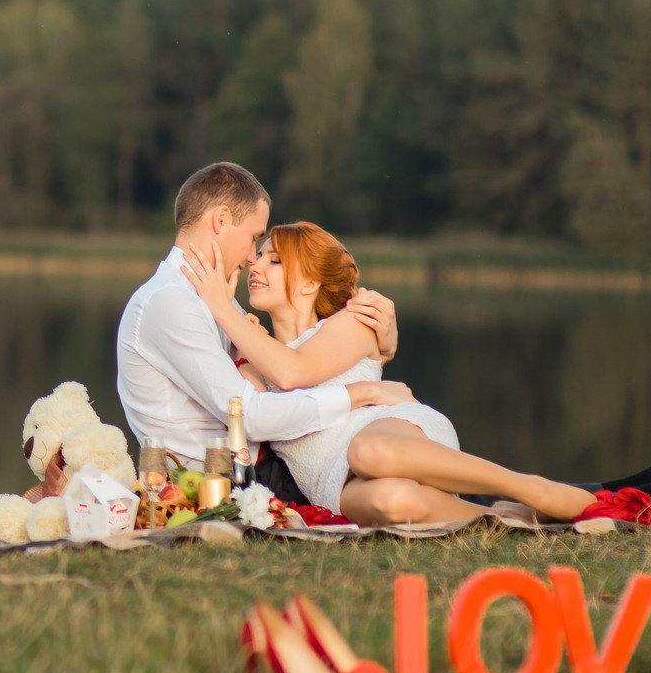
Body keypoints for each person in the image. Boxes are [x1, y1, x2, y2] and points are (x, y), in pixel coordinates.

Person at [178, 218, 614, 525]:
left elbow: (295, 372)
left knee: (371, 454)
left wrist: (221, 305)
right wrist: (237, 334)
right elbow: (252, 414)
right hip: (331, 479)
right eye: (258, 258)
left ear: (310, 282)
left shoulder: (353, 320)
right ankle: (502, 517)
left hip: (391, 434)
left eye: (273, 260)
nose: (255, 266)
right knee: (390, 500)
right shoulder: (253, 357)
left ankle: (530, 488)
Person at [113, 162, 411, 488]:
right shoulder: (170, 303)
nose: (253, 257)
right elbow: (251, 415)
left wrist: (381, 349)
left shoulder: (208, 296)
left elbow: (293, 359)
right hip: (223, 484)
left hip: (261, 470)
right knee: (374, 479)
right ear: (221, 220)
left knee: (382, 473)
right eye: (255, 237)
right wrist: (361, 393)